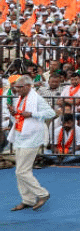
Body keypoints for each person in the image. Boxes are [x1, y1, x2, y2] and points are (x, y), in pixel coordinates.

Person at [6, 76, 55, 212]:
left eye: (20, 87)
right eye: (16, 87)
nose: (17, 90)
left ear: (28, 86)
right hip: (20, 135)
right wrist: (13, 113)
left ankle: (42, 194)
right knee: (19, 171)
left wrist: (32, 114)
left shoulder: (37, 98)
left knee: (22, 171)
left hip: (32, 136)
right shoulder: (20, 99)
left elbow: (51, 113)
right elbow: (20, 116)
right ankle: (27, 200)